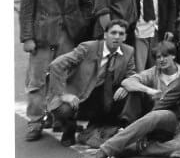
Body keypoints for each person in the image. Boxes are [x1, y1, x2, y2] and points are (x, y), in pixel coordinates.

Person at [75, 46, 180, 158]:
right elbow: (165, 101)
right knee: (156, 115)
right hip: (177, 120)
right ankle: (102, 153)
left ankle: (137, 147)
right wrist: (149, 124)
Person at [20, 0, 92, 141]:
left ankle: (60, 118)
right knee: (37, 81)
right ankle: (35, 122)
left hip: (68, 35)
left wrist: (80, 21)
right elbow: (26, 12)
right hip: (43, 37)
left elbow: (87, 4)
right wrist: (27, 38)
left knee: (64, 79)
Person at [47, 18, 137, 146]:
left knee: (133, 93)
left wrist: (127, 86)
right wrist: (63, 94)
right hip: (78, 93)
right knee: (64, 109)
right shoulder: (87, 48)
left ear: (125, 37)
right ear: (105, 35)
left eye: (121, 34)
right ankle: (69, 129)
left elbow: (132, 75)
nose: (117, 37)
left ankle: (101, 127)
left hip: (103, 95)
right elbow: (56, 65)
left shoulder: (128, 51)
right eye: (113, 33)